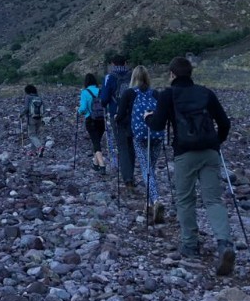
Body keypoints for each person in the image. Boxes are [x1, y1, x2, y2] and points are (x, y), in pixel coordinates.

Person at [144, 56, 235, 276]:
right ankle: (224, 243)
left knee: (185, 199)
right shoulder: (206, 93)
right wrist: (216, 143)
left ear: (172, 74)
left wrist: (148, 117)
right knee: (213, 199)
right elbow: (224, 123)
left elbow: (157, 124)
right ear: (191, 73)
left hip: (185, 153)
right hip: (210, 152)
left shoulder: (168, 95)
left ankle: (190, 245)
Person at [118, 65, 164, 223]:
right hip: (157, 135)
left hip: (139, 136)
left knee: (146, 169)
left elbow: (119, 117)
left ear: (133, 77)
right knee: (151, 168)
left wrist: (128, 124)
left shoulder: (129, 93)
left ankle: (156, 200)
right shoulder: (156, 93)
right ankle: (150, 203)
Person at [101, 55, 135, 189]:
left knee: (122, 146)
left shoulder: (109, 77)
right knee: (131, 145)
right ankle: (131, 174)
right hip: (132, 115)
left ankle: (127, 179)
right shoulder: (132, 75)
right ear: (126, 62)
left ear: (112, 64)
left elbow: (104, 99)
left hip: (116, 115)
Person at [78, 73, 106, 174]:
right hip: (102, 120)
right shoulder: (101, 91)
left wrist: (78, 111)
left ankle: (102, 165)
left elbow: (83, 109)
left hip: (91, 120)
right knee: (97, 141)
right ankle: (95, 164)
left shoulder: (85, 92)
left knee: (96, 142)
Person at [20, 84, 45, 157]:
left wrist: (22, 114)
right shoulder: (38, 97)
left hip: (31, 118)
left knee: (31, 135)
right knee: (35, 135)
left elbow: (27, 108)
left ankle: (39, 147)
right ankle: (33, 152)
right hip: (39, 118)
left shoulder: (28, 97)